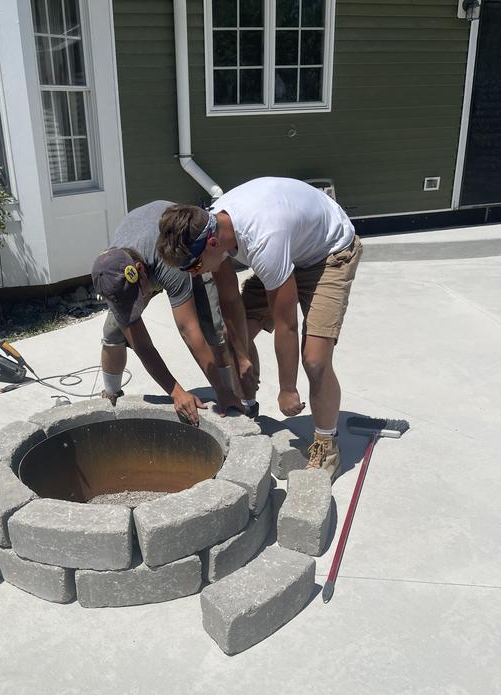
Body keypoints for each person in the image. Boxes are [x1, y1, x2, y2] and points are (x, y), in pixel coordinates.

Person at [156, 177, 363, 480]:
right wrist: (241, 355)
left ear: (212, 244)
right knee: (234, 336)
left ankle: (326, 447)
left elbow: (287, 324)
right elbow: (230, 305)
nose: (193, 274)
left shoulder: (264, 240)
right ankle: (248, 408)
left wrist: (287, 388)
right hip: (293, 249)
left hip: (330, 253)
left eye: (194, 266)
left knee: (315, 359)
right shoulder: (213, 227)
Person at [91, 200, 243, 425]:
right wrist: (176, 392)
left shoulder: (171, 263)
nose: (139, 302)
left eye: (138, 295)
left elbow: (188, 330)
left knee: (210, 327)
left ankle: (228, 393)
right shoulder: (110, 274)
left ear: (141, 271)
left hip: (190, 249)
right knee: (113, 333)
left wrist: (220, 390)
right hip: (145, 248)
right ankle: (111, 397)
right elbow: (143, 346)